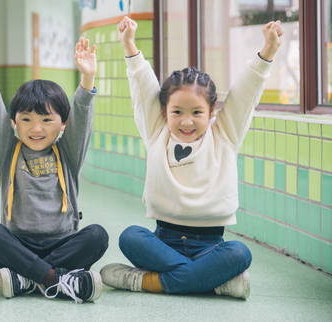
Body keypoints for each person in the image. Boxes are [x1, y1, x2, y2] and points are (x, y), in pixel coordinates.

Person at [100, 17, 283, 300]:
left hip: (211, 247)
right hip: (163, 244)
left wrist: (268, 52)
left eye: (196, 112)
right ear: (164, 113)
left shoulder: (225, 134)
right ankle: (211, 282)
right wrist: (129, 46)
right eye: (177, 112)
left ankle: (147, 282)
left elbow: (246, 95)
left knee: (239, 252)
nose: (187, 121)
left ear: (212, 112)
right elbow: (142, 88)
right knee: (130, 236)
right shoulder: (157, 132)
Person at [0, 31, 106, 303]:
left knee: (97, 235)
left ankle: (27, 279)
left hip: (63, 243)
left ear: (63, 123)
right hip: (18, 244)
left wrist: (87, 79)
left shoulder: (68, 151)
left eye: (46, 119)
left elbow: (81, 112)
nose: (36, 128)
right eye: (27, 119)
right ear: (15, 122)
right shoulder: (8, 151)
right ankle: (57, 279)